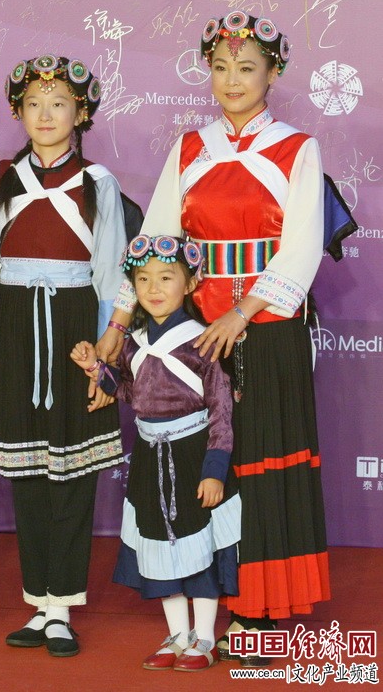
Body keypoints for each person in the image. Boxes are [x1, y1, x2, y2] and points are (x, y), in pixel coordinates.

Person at [101, 12, 330, 666]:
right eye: (221, 68)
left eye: (247, 68)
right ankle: (214, 604)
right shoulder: (191, 147)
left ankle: (262, 613)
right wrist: (120, 322)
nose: (232, 81)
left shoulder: (297, 147)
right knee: (213, 470)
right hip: (196, 338)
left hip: (268, 332)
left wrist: (246, 311)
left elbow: (301, 247)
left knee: (263, 464)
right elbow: (154, 242)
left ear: (273, 74)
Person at [0, 55, 126, 657]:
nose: (46, 114)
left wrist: (104, 355)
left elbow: (113, 268)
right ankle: (38, 604)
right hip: (12, 324)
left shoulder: (99, 183)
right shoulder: (0, 178)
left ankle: (64, 605)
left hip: (73, 331)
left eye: (59, 103)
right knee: (28, 472)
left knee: (71, 471)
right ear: (18, 111)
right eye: (34, 103)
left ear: (81, 113)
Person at [72, 235, 240, 671]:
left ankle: (204, 638)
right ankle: (177, 634)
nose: (154, 288)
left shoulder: (203, 340)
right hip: (149, 457)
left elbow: (222, 410)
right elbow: (129, 392)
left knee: (198, 547)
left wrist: (215, 471)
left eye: (166, 277)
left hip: (192, 457)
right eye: (143, 279)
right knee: (160, 550)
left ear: (188, 284)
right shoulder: (136, 341)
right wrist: (96, 368)